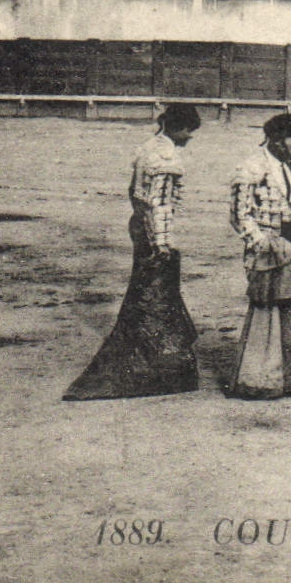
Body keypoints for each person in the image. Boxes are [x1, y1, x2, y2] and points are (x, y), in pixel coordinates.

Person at [63, 104, 203, 400]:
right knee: (155, 296)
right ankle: (156, 363)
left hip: (138, 224)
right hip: (153, 230)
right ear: (177, 128)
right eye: (188, 130)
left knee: (144, 292)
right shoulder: (167, 158)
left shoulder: (147, 148)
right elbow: (160, 205)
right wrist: (163, 244)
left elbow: (135, 194)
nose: (190, 137)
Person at [228, 112, 291, 399]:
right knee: (266, 311)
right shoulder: (252, 167)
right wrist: (263, 243)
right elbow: (239, 216)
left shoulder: (288, 167)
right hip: (268, 249)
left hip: (289, 245)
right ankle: (259, 381)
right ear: (277, 140)